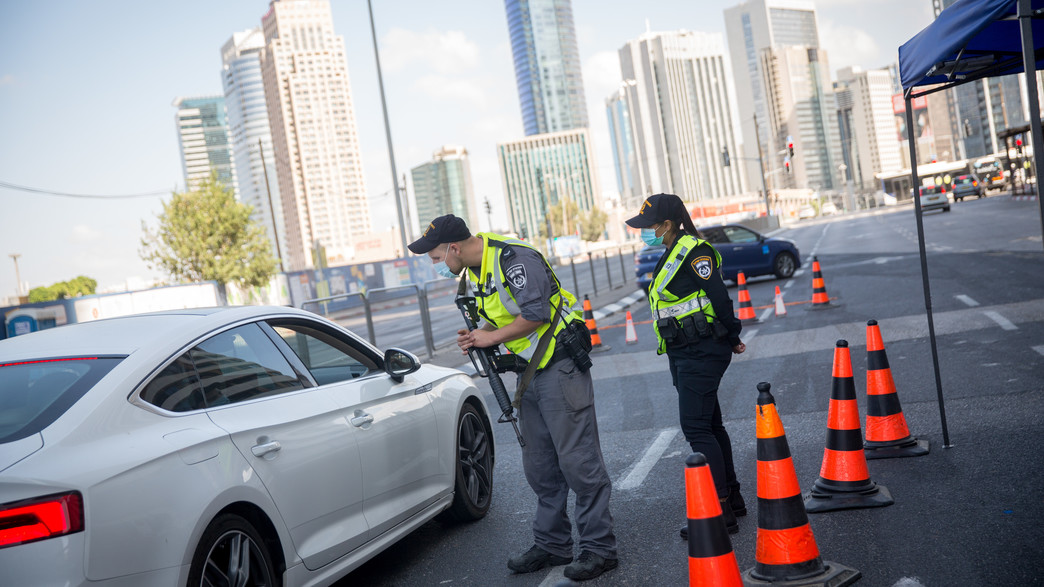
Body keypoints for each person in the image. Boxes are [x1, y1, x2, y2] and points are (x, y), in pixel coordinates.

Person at [408, 214, 618, 581]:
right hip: (529, 371)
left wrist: (491, 338)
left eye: (436, 257)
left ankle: (599, 549)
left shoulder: (512, 259)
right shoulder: (475, 269)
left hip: (559, 365)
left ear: (454, 248)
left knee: (579, 463)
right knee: (540, 466)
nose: (435, 265)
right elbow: (503, 314)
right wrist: (480, 333)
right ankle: (553, 545)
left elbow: (535, 314)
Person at [625, 194, 747, 536]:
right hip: (685, 351)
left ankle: (718, 513)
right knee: (711, 425)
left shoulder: (695, 251)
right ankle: (732, 500)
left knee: (696, 429)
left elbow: (719, 297)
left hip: (701, 350)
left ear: (666, 225)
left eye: (648, 226)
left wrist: (733, 334)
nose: (644, 232)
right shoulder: (673, 250)